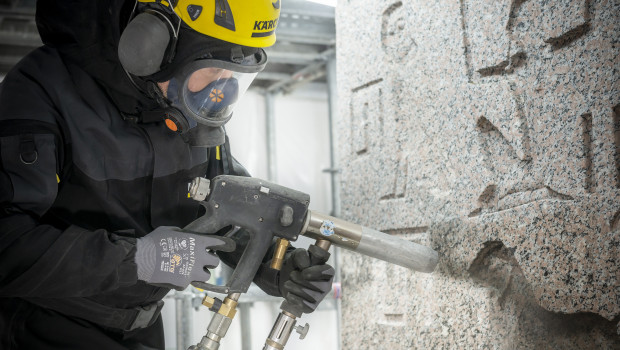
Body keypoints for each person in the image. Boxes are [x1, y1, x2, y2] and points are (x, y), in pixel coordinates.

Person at [0, 0, 334, 349]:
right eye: (213, 68)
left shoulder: (191, 107)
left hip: (141, 328)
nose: (222, 88)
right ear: (153, 44)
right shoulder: (44, 90)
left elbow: (220, 210)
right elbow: (6, 244)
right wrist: (137, 260)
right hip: (41, 327)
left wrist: (272, 266)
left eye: (235, 74)